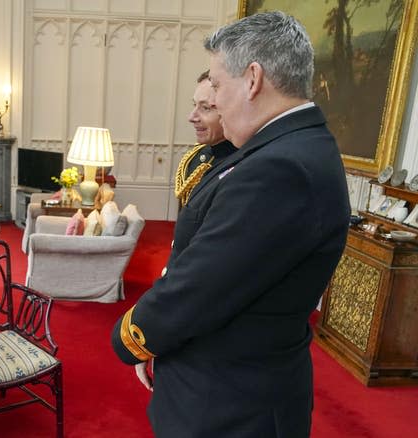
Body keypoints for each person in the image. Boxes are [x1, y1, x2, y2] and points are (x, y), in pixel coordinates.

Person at [111, 11, 350, 437]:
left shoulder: (280, 167)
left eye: (218, 87)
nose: (214, 102)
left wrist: (131, 338)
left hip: (229, 405)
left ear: (253, 78)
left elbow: (200, 286)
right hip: (230, 388)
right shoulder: (291, 146)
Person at [175, 70, 236, 208]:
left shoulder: (245, 162)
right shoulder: (195, 158)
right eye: (194, 105)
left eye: (205, 108)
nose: (192, 117)